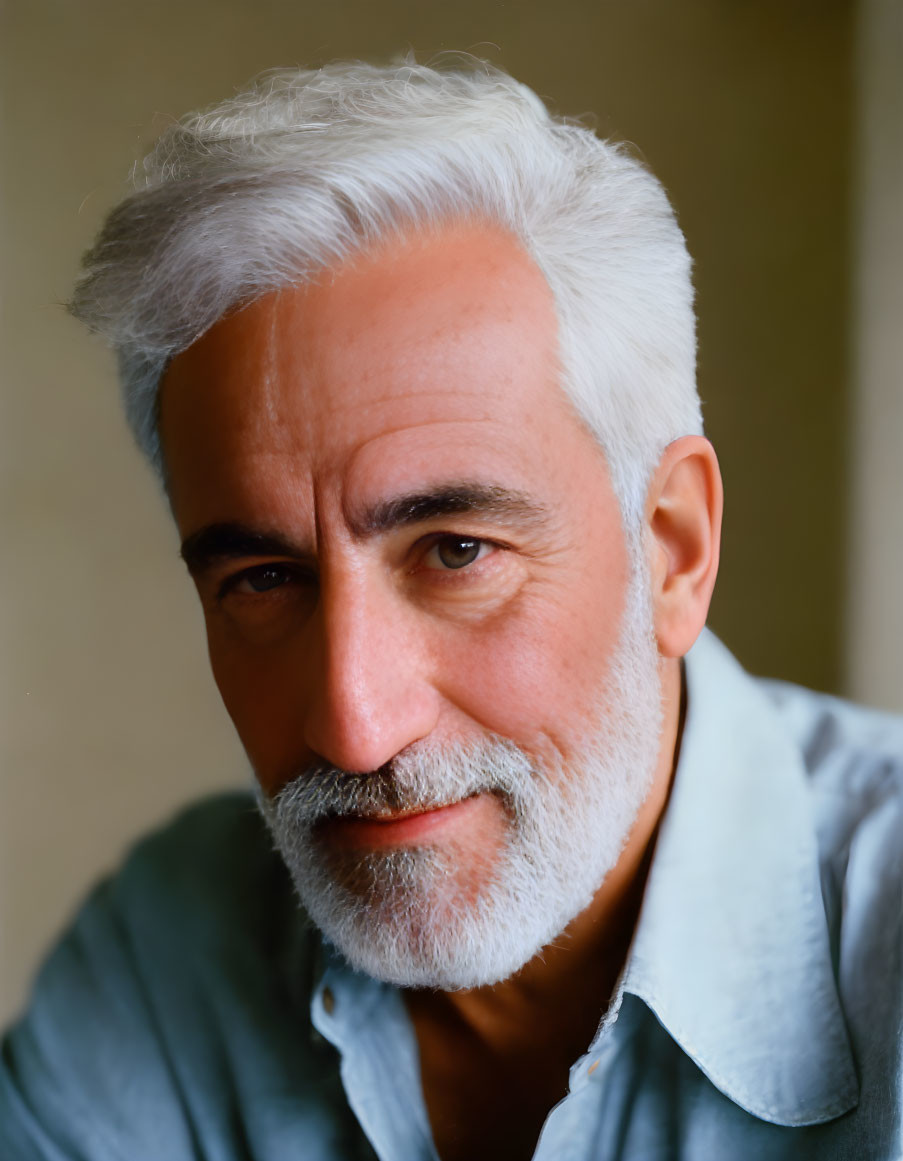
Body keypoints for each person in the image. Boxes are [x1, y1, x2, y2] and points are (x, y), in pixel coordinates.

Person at [1, 59, 900, 1161]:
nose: (355, 725)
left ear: (672, 549)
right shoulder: (164, 958)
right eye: (265, 579)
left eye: (457, 552)